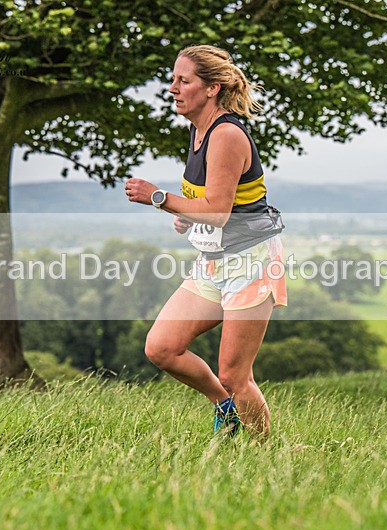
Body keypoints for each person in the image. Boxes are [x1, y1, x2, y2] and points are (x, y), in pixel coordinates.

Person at [125, 45, 287, 440]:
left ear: (212, 88)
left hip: (251, 262)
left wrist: (160, 198)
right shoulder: (198, 129)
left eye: (184, 81)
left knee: (235, 373)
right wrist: (186, 215)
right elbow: (210, 202)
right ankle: (225, 406)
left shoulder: (227, 134)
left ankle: (267, 458)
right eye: (173, 79)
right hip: (215, 261)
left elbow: (217, 211)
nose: (172, 88)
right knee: (162, 348)